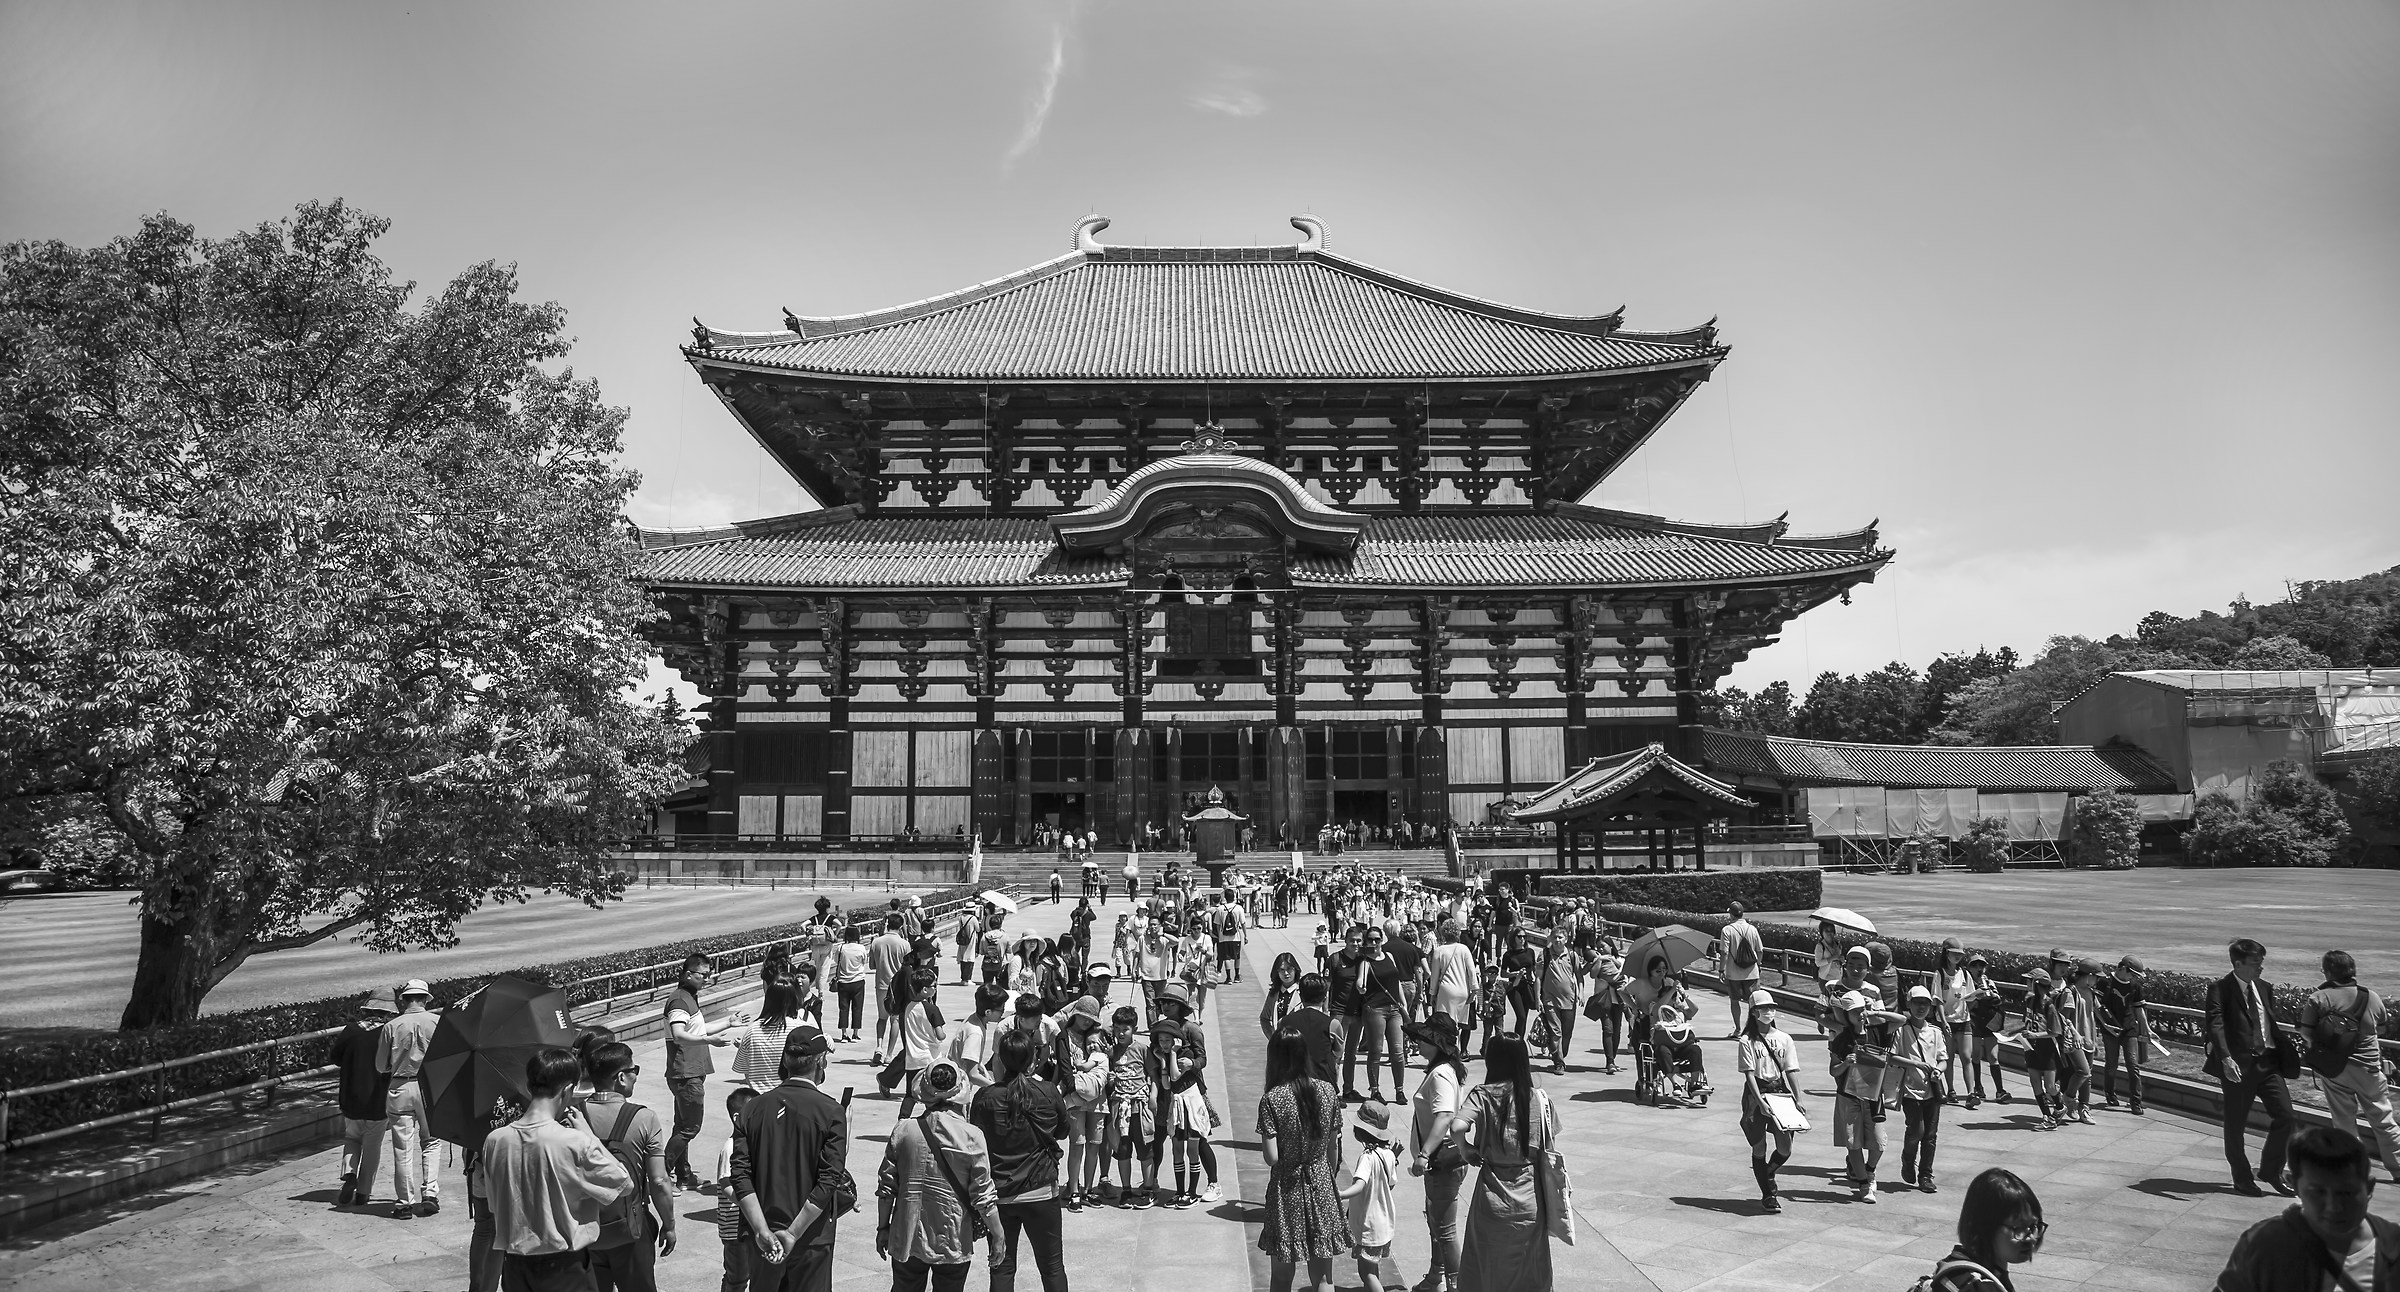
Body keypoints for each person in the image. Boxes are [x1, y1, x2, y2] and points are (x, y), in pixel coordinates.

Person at [481, 1047, 636, 1292]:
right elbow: (624, 1184)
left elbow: (493, 1205)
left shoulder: (495, 1141)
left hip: (515, 1268)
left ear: (530, 1086)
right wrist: (589, 1136)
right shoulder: (574, 1141)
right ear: (566, 1090)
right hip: (565, 1269)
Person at [731, 1026, 850, 1292]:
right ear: (820, 1061)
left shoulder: (752, 1108)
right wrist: (793, 1233)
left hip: (763, 1236)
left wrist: (762, 1231)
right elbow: (829, 1177)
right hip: (811, 1236)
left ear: (785, 1061)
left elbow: (739, 1174)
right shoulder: (831, 1110)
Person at [2212, 1126, 2400, 1292]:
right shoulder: (2265, 1245)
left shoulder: (2393, 1244)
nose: (2333, 1207)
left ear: (2369, 1187)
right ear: (2294, 1185)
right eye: (2318, 1192)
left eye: (2346, 1193)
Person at [878, 1060, 1004, 1292]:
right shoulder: (972, 1135)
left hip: (907, 1235)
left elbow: (887, 1190)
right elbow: (983, 1196)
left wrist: (882, 1228)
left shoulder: (903, 1130)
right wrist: (998, 1235)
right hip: (953, 1238)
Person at [1447, 1034, 1560, 1292]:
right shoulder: (1539, 1098)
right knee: (1529, 1267)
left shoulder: (1483, 1094)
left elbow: (1457, 1126)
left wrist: (1466, 1149)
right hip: (1530, 1197)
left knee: (1487, 1265)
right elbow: (1549, 1146)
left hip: (1492, 1196)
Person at [971, 1031, 1070, 1292]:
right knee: (1052, 1267)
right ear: (1033, 1060)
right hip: (1041, 1192)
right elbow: (1062, 1131)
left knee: (1002, 1266)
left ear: (1000, 1061)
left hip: (999, 1195)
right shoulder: (1047, 1091)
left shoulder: (984, 1098)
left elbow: (976, 1143)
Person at [581, 1042, 677, 1292]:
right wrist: (669, 1225)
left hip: (583, 1230)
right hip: (630, 1230)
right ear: (621, 1077)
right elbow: (659, 1181)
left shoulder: (573, 1116)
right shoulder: (644, 1118)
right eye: (634, 1069)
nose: (636, 1075)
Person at [1258, 1028, 1348, 1292]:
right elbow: (1333, 1147)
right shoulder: (1328, 1091)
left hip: (1286, 1190)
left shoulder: (1272, 1099)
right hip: (1321, 1183)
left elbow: (1272, 1157)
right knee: (1323, 1279)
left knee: (1282, 1277)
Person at [2207, 938, 2299, 1197]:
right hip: (2237, 1067)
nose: (2261, 968)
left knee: (2287, 1117)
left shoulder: (2264, 987)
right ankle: (2242, 1177)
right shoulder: (2219, 989)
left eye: (2262, 962)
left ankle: (2271, 1171)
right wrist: (2225, 1058)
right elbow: (2215, 1024)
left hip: (2268, 1063)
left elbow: (2268, 1022)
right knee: (2235, 1124)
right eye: (2256, 963)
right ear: (2238, 963)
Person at [2298, 950, 2400, 1183]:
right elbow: (2381, 1029)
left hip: (2336, 1068)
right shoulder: (2371, 996)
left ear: (2327, 972)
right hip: (2369, 1067)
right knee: (2383, 1118)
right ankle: (2398, 1168)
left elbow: (2306, 1031)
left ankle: (2353, 1171)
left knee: (2344, 1122)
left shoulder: (2319, 998)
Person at [667, 954, 750, 1194]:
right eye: (702, 974)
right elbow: (678, 1034)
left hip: (689, 1072)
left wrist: (728, 1023)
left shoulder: (688, 998)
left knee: (682, 1125)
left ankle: (683, 1175)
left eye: (708, 973)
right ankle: (660, 1174)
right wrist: (707, 1040)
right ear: (687, 974)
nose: (706, 978)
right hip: (686, 1073)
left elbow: (698, 1029)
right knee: (689, 1127)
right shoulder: (679, 1001)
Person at [1404, 1014, 1471, 1292]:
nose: (1418, 1042)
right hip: (1443, 1159)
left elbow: (1444, 1117)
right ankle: (1435, 1278)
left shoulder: (1441, 1073)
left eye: (1425, 1039)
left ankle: (1455, 1285)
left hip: (1441, 1159)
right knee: (1436, 1222)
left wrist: (1424, 1154)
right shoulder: (1443, 1069)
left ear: (1438, 1044)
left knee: (1445, 1230)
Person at [1828, 968, 1904, 1202]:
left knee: (1879, 1143)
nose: (1859, 1015)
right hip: (1849, 1095)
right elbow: (1833, 1070)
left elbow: (1902, 1019)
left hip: (1873, 1097)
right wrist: (1846, 1064)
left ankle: (1870, 1171)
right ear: (1846, 1014)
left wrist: (1875, 1011)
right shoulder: (1841, 1039)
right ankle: (1864, 1185)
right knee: (1854, 1143)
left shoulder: (1877, 1030)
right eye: (1854, 1012)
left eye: (1861, 1010)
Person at [378, 978, 444, 1219]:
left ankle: (405, 1202)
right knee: (432, 1141)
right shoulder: (437, 1022)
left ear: (403, 1000)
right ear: (425, 999)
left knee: (402, 1148)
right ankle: (430, 1194)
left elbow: (379, 1065)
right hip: (428, 1087)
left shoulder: (392, 1026)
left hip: (400, 1086)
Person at [1919, 1167, 2046, 1291]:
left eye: (2033, 1226)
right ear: (1986, 1226)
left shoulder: (1952, 1268)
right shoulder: (1974, 1285)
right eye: (2018, 1228)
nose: (2030, 1237)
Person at [330, 986, 398, 1209]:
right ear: (388, 1013)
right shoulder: (389, 1032)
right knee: (372, 1146)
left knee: (351, 1138)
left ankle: (349, 1173)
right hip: (378, 1101)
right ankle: (364, 1192)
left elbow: (336, 1058)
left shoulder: (351, 1030)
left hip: (351, 1097)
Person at [1736, 989, 1803, 1213]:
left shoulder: (1784, 1038)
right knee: (1759, 1145)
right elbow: (1748, 1073)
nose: (1769, 1012)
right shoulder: (1747, 1040)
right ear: (1754, 1012)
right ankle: (1769, 1194)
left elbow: (1791, 1069)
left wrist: (1798, 1098)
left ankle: (1769, 1171)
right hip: (1757, 1093)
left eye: (1771, 1007)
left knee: (1786, 1147)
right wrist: (1759, 1102)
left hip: (1779, 1092)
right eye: (1764, 1008)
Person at [1053, 996, 1110, 1211]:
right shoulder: (1063, 1037)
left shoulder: (1098, 1037)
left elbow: (1106, 1060)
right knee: (1077, 1144)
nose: (1086, 1023)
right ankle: (1074, 1190)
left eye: (1090, 1019)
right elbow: (1065, 1066)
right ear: (1074, 1014)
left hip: (1098, 1098)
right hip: (1075, 1097)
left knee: (1094, 1145)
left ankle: (1088, 1189)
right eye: (1083, 1017)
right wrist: (1073, 1088)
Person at [1340, 1103, 1404, 1292]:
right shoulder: (1389, 1154)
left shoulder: (1367, 1157)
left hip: (1369, 1225)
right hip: (1384, 1223)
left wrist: (1339, 1194)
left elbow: (1359, 1186)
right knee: (1372, 1268)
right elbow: (1390, 1184)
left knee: (1365, 1273)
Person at [1893, 985, 1951, 1193]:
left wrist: (1938, 1070)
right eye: (1917, 1003)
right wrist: (1915, 1064)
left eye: (1925, 1004)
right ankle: (1908, 1160)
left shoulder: (1935, 1032)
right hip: (1909, 1090)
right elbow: (1891, 1056)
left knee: (1931, 1135)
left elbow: (1943, 1059)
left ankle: (1925, 1174)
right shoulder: (1901, 1030)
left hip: (1931, 1091)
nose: (1921, 1008)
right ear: (1909, 1004)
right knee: (1916, 1130)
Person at [1100, 1005, 1159, 1207]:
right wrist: (1109, 1079)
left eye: (1125, 1029)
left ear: (1134, 1028)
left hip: (1139, 1107)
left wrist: (1153, 1098)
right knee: (1122, 1151)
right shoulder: (1111, 1052)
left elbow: (1154, 1077)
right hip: (1119, 1108)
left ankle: (1149, 1189)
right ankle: (1126, 1190)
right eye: (1117, 1028)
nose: (1120, 1033)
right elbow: (1108, 1080)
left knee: (1145, 1150)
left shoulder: (1142, 1050)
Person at [1348, 924, 1409, 1102]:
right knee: (1376, 1051)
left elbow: (1395, 980)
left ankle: (1399, 1090)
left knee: (1398, 1052)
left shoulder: (1389, 956)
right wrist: (1361, 987)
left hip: (1394, 1009)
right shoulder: (1366, 961)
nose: (1374, 943)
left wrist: (1403, 1002)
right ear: (1366, 942)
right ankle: (1375, 1090)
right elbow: (1360, 981)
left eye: (1377, 939)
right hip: (1375, 1009)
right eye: (1371, 940)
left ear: (1382, 940)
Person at [716, 1087, 759, 1292]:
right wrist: (748, 1204)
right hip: (734, 1229)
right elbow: (726, 1185)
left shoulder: (752, 1144)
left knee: (751, 1272)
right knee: (737, 1277)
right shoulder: (731, 1147)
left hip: (748, 1225)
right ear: (737, 1117)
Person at [2094, 955, 2149, 1115]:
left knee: (2133, 1065)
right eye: (2132, 973)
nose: (2133, 977)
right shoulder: (2105, 982)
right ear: (2123, 968)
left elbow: (2139, 1010)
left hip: (2129, 1029)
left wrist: (2147, 1030)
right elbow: (2097, 1006)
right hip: (2110, 1030)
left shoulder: (2135, 986)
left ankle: (2136, 1101)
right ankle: (2110, 1094)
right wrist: (2104, 1025)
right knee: (2111, 1064)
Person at [895, 968, 951, 1121]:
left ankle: (902, 1120)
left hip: (913, 1058)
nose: (935, 988)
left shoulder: (908, 1008)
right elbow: (940, 1035)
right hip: (930, 1058)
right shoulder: (932, 1009)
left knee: (910, 1094)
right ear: (926, 990)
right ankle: (932, 1121)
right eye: (934, 985)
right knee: (934, 1093)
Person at [731, 982, 805, 1093]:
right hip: (792, 1097)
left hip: (760, 1099)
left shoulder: (753, 1030)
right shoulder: (802, 1029)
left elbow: (743, 1068)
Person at [1535, 931, 1583, 1077]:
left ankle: (1560, 1054)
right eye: (1554, 937)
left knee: (1567, 1033)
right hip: (1550, 1000)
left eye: (1560, 937)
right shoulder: (1544, 955)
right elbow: (1538, 977)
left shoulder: (1572, 955)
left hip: (1569, 1000)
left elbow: (1579, 976)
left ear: (1566, 939)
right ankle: (1559, 1062)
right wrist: (1537, 998)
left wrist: (1580, 993)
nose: (1557, 940)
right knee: (1556, 1032)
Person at [871, 914, 916, 1067]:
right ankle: (889, 1054)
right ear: (901, 926)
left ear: (887, 924)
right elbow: (909, 967)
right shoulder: (905, 944)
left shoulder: (876, 942)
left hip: (881, 984)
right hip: (897, 986)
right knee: (895, 1019)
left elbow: (871, 965)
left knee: (881, 1018)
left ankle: (878, 1046)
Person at [1719, 901, 1764, 1039]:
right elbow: (1760, 950)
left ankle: (1738, 1030)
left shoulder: (1727, 930)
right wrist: (1758, 964)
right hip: (1752, 972)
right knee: (1754, 1002)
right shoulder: (1752, 929)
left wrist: (1721, 970)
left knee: (1734, 1001)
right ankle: (1753, 1029)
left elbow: (1724, 953)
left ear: (1731, 914)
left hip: (1734, 974)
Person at [831, 926, 871, 1044]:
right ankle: (855, 1034)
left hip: (843, 981)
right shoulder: (861, 948)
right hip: (858, 981)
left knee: (843, 1008)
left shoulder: (841, 948)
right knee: (857, 1007)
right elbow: (864, 961)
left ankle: (844, 1034)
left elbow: (835, 960)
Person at [1261, 951, 1305, 1038]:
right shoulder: (1274, 993)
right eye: (1282, 970)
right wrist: (1272, 1038)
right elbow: (1264, 1018)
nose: (1286, 973)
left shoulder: (1303, 992)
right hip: (1279, 1045)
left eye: (1289, 969)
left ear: (1295, 969)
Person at [956, 912, 980, 986]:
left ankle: (963, 979)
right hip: (970, 940)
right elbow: (978, 929)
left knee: (963, 959)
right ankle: (968, 979)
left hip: (962, 940)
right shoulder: (973, 918)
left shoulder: (961, 917)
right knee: (970, 959)